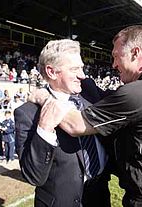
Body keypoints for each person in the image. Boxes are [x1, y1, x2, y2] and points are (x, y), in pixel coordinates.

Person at [32, 25, 142, 207]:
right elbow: (106, 98)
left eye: (115, 56)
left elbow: (75, 125)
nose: (113, 64)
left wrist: (44, 97)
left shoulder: (140, 92)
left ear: (135, 53)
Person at [14, 39, 112, 207]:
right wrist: (44, 129)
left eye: (82, 67)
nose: (82, 75)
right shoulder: (28, 113)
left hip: (99, 197)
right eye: (75, 69)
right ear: (51, 72)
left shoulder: (92, 96)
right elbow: (33, 176)